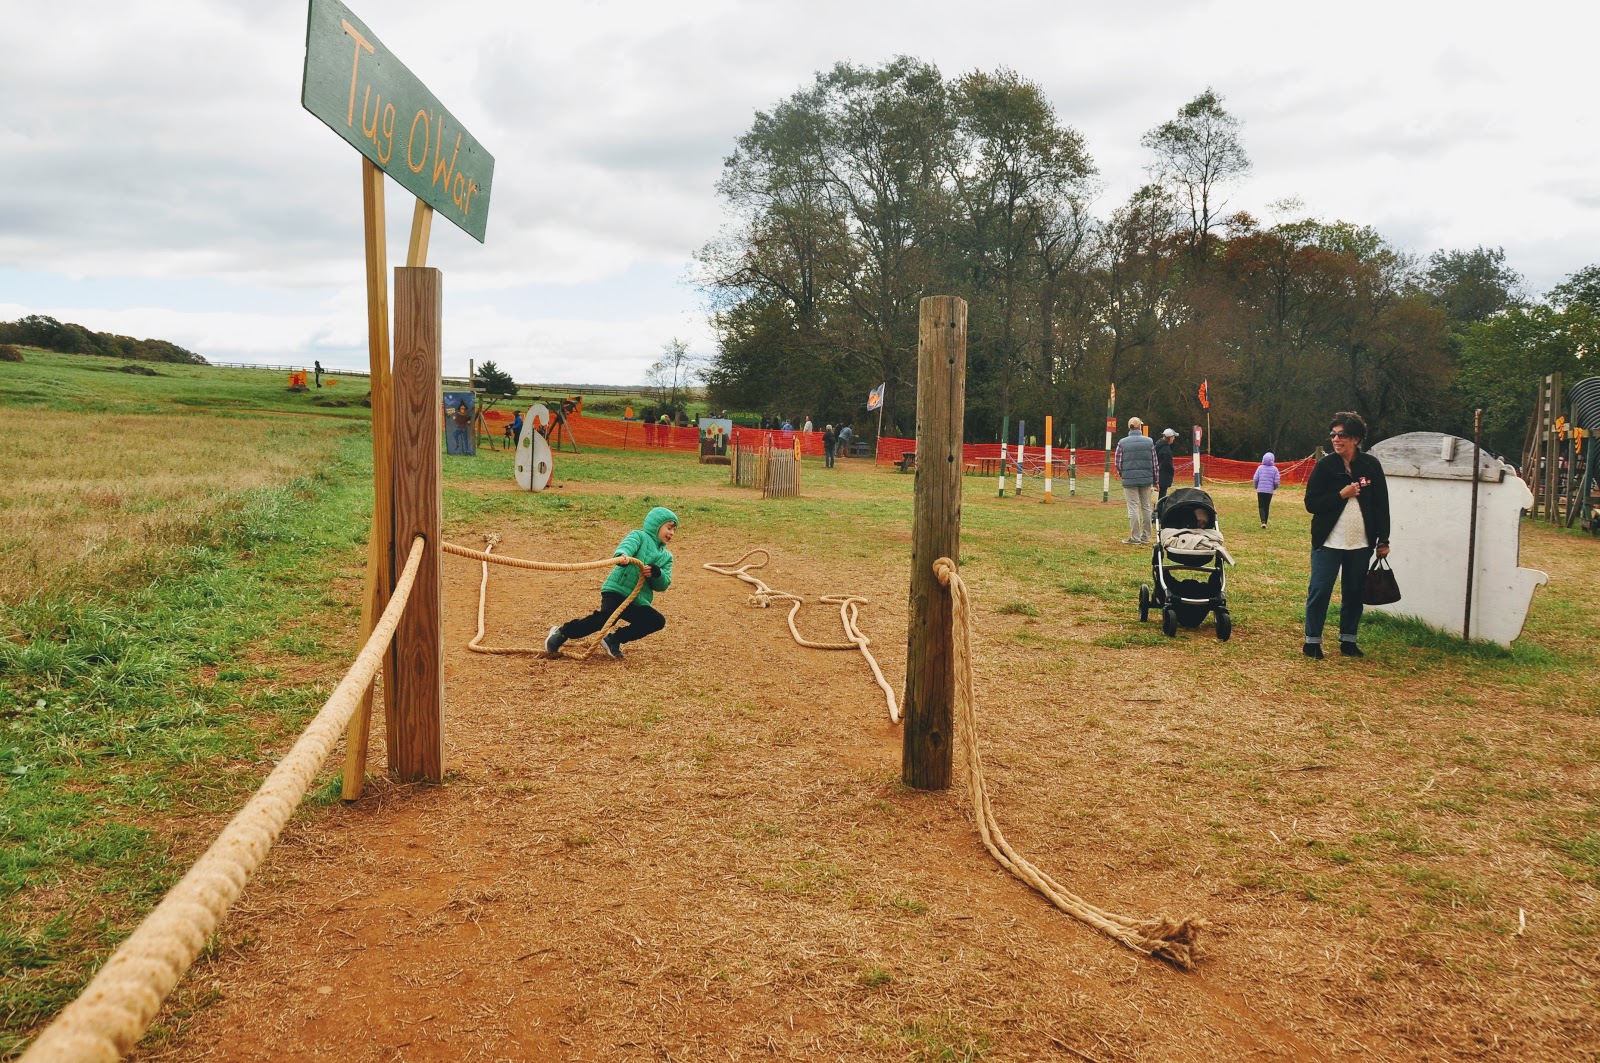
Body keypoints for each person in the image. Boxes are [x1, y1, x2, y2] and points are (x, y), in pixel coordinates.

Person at [1303, 412, 1390, 659]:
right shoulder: (1325, 466)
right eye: (1333, 434)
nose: (1336, 439)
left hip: (1360, 543)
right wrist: (1341, 495)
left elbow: (1381, 505)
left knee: (1354, 593)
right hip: (1328, 542)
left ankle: (1348, 640)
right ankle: (1312, 642)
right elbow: (1311, 503)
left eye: (1342, 435)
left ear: (1356, 439)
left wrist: (1383, 539)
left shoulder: (1371, 466)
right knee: (1320, 590)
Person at [546, 506, 678, 660]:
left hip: (637, 600)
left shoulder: (667, 557)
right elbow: (627, 547)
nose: (671, 533)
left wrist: (657, 574)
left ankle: (614, 639)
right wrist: (623, 556)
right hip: (617, 590)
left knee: (656, 621)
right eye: (669, 528)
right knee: (605, 619)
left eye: (674, 530)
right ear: (655, 525)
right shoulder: (639, 536)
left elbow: (663, 584)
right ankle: (562, 632)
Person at [1113, 416, 1158, 545]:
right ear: (1140, 427)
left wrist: (1123, 474)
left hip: (1129, 480)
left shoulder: (1122, 442)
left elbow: (1117, 462)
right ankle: (1146, 536)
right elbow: (1155, 463)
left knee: (1133, 507)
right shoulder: (1149, 442)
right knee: (1146, 507)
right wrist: (1156, 480)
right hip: (1146, 479)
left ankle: (1135, 537)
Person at [1253, 451, 1281, 527]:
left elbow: (1255, 478)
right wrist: (1274, 487)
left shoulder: (1260, 468)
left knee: (1261, 506)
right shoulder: (1275, 469)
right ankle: (1265, 522)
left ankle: (1263, 522)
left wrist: (1256, 486)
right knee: (1267, 506)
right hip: (1269, 491)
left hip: (1260, 490)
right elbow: (1276, 481)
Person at [1156, 428, 1177, 499]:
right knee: (1162, 495)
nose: (1174, 439)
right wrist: (1171, 470)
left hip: (1157, 474)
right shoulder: (1166, 449)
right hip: (1163, 475)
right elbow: (1167, 463)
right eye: (1173, 437)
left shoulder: (1158, 446)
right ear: (1170, 437)